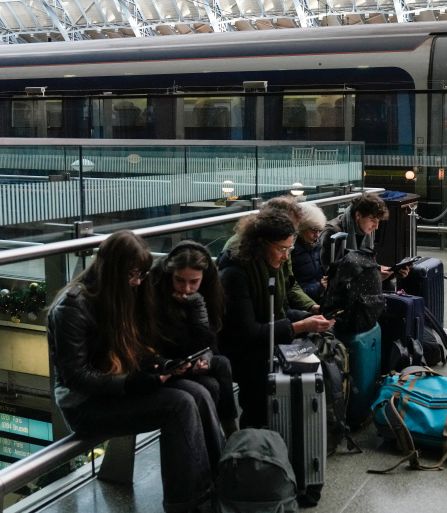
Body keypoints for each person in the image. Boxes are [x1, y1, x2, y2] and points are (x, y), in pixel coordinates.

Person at [47, 231, 223, 513]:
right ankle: (189, 505)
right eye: (133, 275)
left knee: (199, 391)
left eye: (140, 274)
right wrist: (132, 382)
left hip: (118, 387)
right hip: (85, 405)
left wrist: (162, 366)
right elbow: (76, 378)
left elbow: (135, 350)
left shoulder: (118, 294)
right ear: (114, 271)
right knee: (180, 404)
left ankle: (221, 482)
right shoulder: (72, 306)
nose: (138, 282)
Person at [218, 211, 335, 428]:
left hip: (266, 340)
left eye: (289, 249)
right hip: (240, 351)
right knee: (260, 390)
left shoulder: (274, 266)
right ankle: (254, 438)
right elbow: (248, 333)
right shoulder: (235, 274)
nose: (286, 255)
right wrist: (300, 326)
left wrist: (311, 316)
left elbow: (280, 311)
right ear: (261, 244)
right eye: (282, 249)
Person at [149, 240, 239, 438]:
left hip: (192, 356)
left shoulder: (210, 293)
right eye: (180, 280)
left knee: (221, 364)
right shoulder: (157, 295)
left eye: (193, 282)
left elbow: (210, 341)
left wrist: (205, 357)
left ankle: (227, 432)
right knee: (212, 384)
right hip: (169, 362)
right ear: (170, 275)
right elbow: (164, 342)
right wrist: (196, 306)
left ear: (203, 279)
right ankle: (220, 437)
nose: (187, 289)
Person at [319, 192, 410, 284]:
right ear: (358, 215)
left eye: (378, 221)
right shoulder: (332, 233)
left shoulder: (363, 230)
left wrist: (392, 272)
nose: (376, 226)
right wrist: (374, 275)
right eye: (372, 220)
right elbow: (331, 274)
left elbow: (367, 265)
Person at [291, 202, 327, 303]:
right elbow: (293, 290)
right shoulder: (291, 251)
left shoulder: (316, 245)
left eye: (319, 230)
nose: (317, 235)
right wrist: (320, 286)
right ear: (302, 228)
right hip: (305, 303)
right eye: (314, 230)